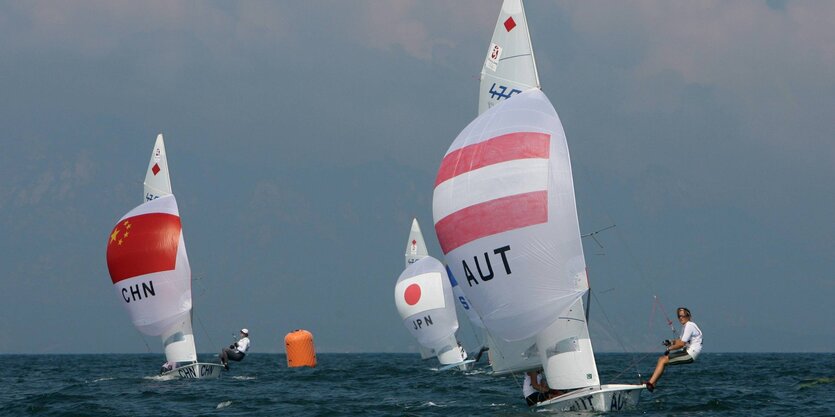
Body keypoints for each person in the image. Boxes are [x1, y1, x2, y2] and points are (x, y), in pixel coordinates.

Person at [645, 307, 703, 392]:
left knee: (662, 360)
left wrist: (669, 348)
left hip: (690, 354)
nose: (681, 318)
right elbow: (680, 340)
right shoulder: (687, 326)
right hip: (688, 352)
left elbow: (681, 344)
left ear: (688, 316)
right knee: (661, 359)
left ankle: (651, 384)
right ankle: (652, 383)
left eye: (683, 316)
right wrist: (670, 342)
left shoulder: (689, 326)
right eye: (679, 316)